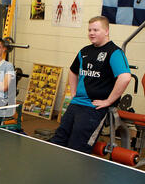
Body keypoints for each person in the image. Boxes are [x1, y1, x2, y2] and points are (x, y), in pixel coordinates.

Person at [49, 16, 131, 154]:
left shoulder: (114, 52)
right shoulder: (85, 51)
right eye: (89, 30)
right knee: (59, 140)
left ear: (106, 31)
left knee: (77, 147)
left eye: (96, 30)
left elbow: (125, 77)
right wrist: (74, 93)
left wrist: (109, 101)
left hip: (93, 108)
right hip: (76, 104)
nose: (91, 33)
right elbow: (72, 71)